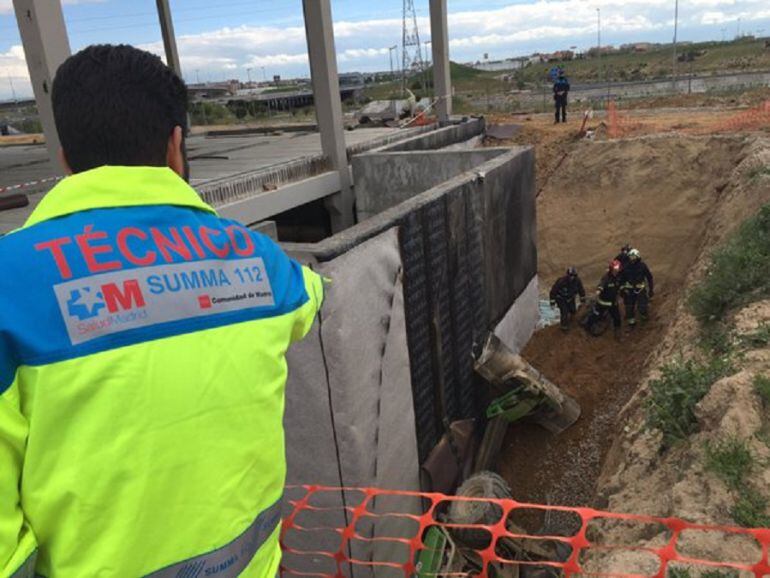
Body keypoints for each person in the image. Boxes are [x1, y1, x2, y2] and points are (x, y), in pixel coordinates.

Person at [0, 45, 323, 577]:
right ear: (176, 146)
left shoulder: (10, 285)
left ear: (65, 159)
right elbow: (311, 294)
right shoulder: (260, 261)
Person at [586, 260, 623, 339]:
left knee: (617, 318)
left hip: (613, 303)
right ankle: (587, 327)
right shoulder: (606, 277)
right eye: (615, 270)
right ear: (611, 269)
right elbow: (601, 285)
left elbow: (620, 287)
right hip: (602, 303)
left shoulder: (618, 278)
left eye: (617, 270)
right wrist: (598, 291)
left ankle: (617, 333)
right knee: (596, 315)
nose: (616, 271)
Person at [620, 248, 654, 329]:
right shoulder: (626, 267)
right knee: (629, 309)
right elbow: (621, 279)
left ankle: (644, 318)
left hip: (640, 290)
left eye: (633, 257)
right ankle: (632, 323)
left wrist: (651, 290)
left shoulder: (642, 266)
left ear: (637, 256)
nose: (632, 259)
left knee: (642, 307)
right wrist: (622, 290)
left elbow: (649, 278)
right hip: (629, 291)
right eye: (630, 257)